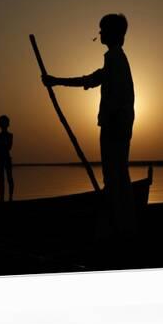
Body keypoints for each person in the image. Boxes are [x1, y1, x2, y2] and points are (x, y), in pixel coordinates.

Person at [42, 13, 137, 238]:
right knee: (119, 177)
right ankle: (124, 221)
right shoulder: (115, 60)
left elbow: (110, 94)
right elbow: (92, 80)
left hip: (115, 127)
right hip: (119, 126)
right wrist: (57, 81)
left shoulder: (116, 59)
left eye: (103, 30)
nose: (100, 33)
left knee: (115, 177)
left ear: (114, 33)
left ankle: (120, 227)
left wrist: (57, 81)